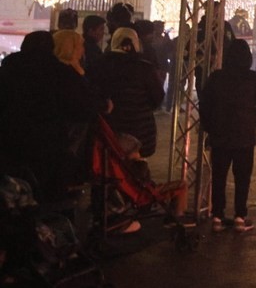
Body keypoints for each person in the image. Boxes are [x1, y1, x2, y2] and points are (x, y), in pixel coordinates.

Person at [0, 31, 107, 202]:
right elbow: (78, 107)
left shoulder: (9, 66)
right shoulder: (58, 70)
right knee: (46, 188)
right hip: (47, 138)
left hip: (10, 135)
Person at [199, 39, 256, 233]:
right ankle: (240, 216)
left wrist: (210, 127)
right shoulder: (254, 78)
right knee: (242, 177)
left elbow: (204, 104)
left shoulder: (216, 78)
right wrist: (254, 122)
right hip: (244, 135)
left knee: (219, 176)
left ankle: (218, 216)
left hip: (220, 134)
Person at [90, 27, 164, 157]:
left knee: (111, 164)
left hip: (109, 128)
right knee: (136, 166)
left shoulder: (99, 65)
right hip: (140, 128)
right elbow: (157, 97)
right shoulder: (145, 68)